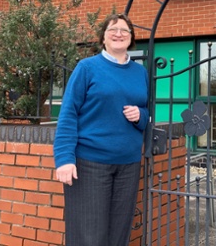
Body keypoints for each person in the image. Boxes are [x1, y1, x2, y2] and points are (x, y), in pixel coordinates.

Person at [54, 13, 149, 246]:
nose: (119, 34)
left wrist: (141, 116)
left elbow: (148, 112)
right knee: (89, 235)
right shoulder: (87, 68)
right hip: (90, 164)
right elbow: (68, 114)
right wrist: (64, 158)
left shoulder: (141, 73)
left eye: (124, 30)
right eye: (112, 30)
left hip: (128, 163)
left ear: (131, 38)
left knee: (119, 234)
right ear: (103, 38)